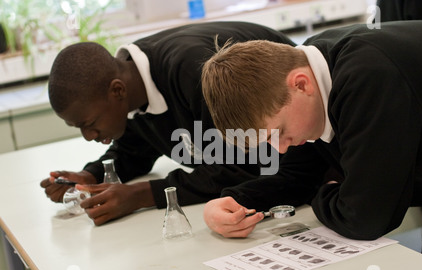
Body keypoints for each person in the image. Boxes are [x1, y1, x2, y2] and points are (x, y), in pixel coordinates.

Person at [201, 20, 422, 265]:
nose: (281, 148)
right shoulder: (309, 72)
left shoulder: (367, 75)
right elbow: (299, 176)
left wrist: (325, 191)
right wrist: (237, 202)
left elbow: (365, 218)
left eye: (278, 132)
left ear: (301, 84)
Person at [40, 21, 296, 226]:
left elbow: (242, 165)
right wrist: (90, 176)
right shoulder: (132, 83)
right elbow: (134, 150)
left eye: (90, 123)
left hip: (304, 151)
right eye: (79, 128)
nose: (88, 135)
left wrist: (140, 195)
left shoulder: (195, 71)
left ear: (117, 91)